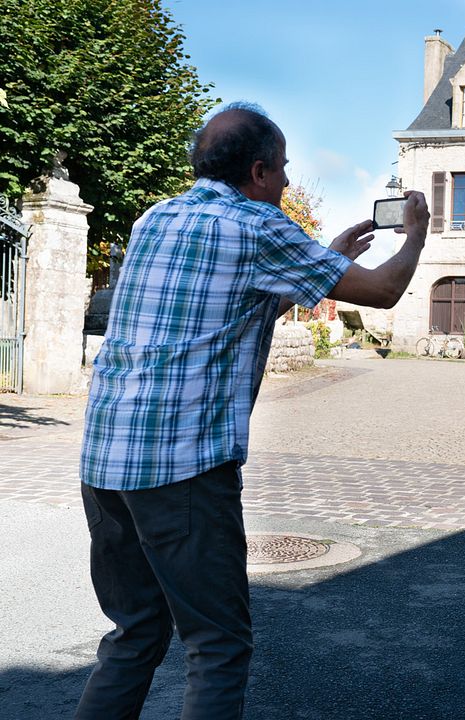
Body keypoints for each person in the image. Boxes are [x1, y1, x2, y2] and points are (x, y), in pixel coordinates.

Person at [75, 102, 429, 718]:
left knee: (134, 634)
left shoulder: (155, 218)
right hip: (181, 467)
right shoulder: (258, 228)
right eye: (284, 169)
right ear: (259, 171)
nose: (289, 182)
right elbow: (384, 290)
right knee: (217, 645)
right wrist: (417, 233)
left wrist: (326, 254)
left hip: (104, 460)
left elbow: (230, 297)